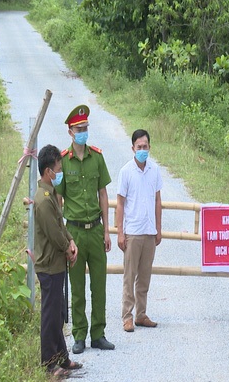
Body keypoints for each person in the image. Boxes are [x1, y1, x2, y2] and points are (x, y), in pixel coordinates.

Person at [55, 105, 115, 354]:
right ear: (70, 132)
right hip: (75, 232)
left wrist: (107, 230)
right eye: (79, 129)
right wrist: (64, 238)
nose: (84, 133)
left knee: (99, 285)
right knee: (77, 287)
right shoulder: (63, 161)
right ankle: (79, 335)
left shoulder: (97, 157)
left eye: (86, 128)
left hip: (95, 229)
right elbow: (58, 201)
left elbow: (103, 193)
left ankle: (98, 334)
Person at [33, 144, 82, 377]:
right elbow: (53, 233)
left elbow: (61, 224)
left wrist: (70, 240)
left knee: (58, 313)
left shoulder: (51, 193)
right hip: (49, 265)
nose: (60, 172)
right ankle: (49, 364)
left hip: (57, 264)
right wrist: (68, 248)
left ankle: (62, 359)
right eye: (58, 168)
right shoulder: (42, 200)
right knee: (50, 316)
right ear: (47, 171)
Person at [116, 129, 163, 332]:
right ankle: (127, 316)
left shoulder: (155, 170)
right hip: (133, 232)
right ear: (133, 148)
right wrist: (120, 232)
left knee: (144, 277)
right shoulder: (126, 171)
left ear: (149, 147)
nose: (142, 150)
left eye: (145, 147)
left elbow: (158, 200)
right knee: (130, 276)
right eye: (139, 147)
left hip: (149, 232)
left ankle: (141, 314)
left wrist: (158, 229)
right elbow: (120, 203)